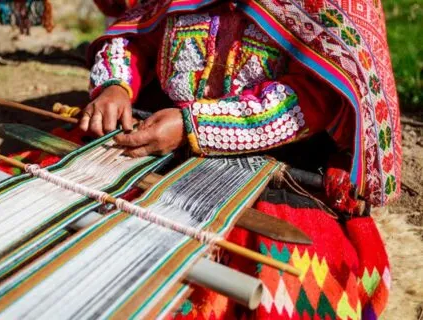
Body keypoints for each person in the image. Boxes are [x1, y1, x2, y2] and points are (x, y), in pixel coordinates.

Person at [80, 0, 401, 319]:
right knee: (76, 218)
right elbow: (135, 35)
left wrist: (196, 126)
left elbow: (316, 96)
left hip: (278, 160)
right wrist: (115, 86)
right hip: (165, 143)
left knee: (296, 285)